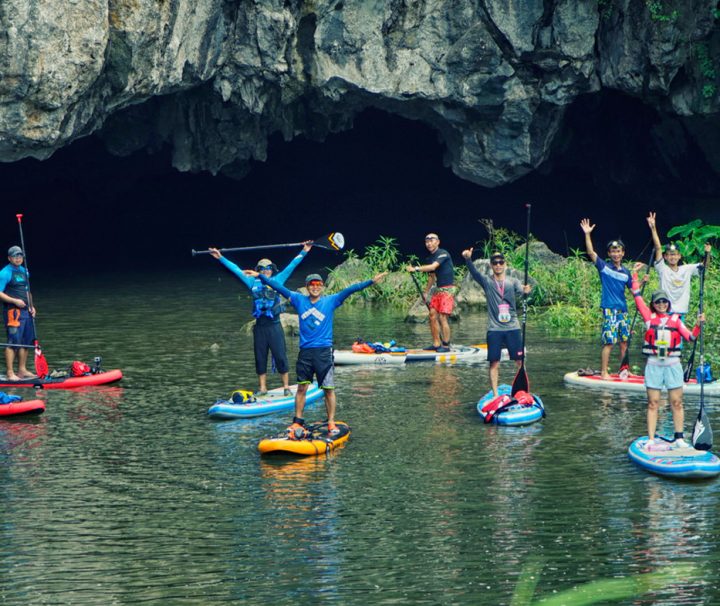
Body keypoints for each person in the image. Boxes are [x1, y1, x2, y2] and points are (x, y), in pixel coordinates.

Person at [249, 270, 387, 436]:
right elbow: (278, 287)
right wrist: (261, 276)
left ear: (322, 286)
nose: (315, 287)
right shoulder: (299, 300)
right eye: (312, 285)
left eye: (318, 284)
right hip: (305, 352)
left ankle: (330, 422)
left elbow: (351, 289)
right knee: (301, 388)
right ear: (307, 287)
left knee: (328, 389)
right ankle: (297, 421)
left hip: (323, 353)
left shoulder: (331, 300)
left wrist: (371, 281)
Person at [209, 242, 312, 396]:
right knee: (260, 357)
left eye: (268, 268)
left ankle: (285, 387)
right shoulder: (252, 282)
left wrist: (304, 251)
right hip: (260, 327)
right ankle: (262, 388)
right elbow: (236, 270)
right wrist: (220, 257)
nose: (266, 271)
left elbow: (292, 265)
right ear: (258, 270)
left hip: (275, 326)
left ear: (272, 269)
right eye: (262, 269)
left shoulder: (278, 280)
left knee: (280, 356)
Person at [630, 263, 702, 449]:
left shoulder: (676, 320)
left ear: (668, 304)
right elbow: (637, 297)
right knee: (653, 403)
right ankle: (651, 439)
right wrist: (635, 277)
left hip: (673, 365)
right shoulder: (648, 318)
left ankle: (679, 438)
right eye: (658, 302)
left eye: (664, 302)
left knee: (677, 402)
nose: (661, 304)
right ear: (653, 305)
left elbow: (691, 337)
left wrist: (698, 324)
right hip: (654, 365)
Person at [461, 249, 531, 397]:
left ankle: (522, 391)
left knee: (519, 361)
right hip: (494, 329)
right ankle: (495, 394)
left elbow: (522, 292)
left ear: (505, 264)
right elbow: (474, 274)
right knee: (494, 363)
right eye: (495, 263)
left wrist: (526, 291)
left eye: (500, 262)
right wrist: (468, 259)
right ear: (491, 266)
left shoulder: (513, 281)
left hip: (513, 327)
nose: (498, 265)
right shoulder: (487, 281)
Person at [580, 218, 632, 380]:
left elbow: (632, 289)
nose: (616, 254)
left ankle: (625, 370)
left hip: (623, 309)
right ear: (609, 253)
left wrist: (641, 281)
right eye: (613, 251)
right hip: (609, 308)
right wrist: (588, 234)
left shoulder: (626, 273)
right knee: (609, 342)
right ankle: (604, 372)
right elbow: (591, 253)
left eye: (619, 251)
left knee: (624, 342)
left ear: (623, 253)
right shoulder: (604, 267)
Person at [646, 211, 710, 318]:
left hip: (681, 312)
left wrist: (707, 253)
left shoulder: (687, 269)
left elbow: (704, 266)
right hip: (665, 311)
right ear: (665, 257)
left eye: (675, 255)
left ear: (679, 256)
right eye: (670, 255)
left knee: (679, 335)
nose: (673, 257)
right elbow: (658, 247)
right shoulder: (662, 269)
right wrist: (653, 228)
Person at [406, 233, 455, 352]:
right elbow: (432, 277)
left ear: (438, 242)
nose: (429, 243)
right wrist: (426, 292)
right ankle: (436, 343)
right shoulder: (429, 258)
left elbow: (433, 267)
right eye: (427, 241)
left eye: (431, 240)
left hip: (448, 290)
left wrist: (416, 269)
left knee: (443, 318)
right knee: (432, 316)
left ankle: (446, 345)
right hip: (438, 290)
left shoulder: (443, 253)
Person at [0, 246, 37, 380]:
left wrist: (32, 306)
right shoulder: (4, 273)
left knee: (26, 341)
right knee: (13, 342)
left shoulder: (24, 271)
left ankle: (22, 370)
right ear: (9, 258)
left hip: (26, 312)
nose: (18, 258)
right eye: (15, 256)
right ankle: (10, 373)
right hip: (13, 312)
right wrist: (14, 301)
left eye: (20, 256)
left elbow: (27, 291)